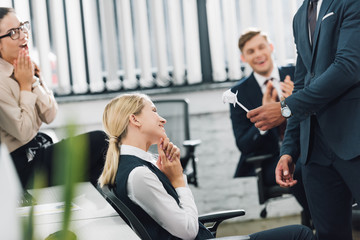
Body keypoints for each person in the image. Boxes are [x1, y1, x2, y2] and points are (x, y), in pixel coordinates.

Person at [98, 93, 314, 240]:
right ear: (134, 120)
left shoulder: (131, 166)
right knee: (300, 235)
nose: (162, 119)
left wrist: (167, 177)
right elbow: (189, 231)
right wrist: (178, 180)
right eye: (153, 111)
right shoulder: (139, 175)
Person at [246, 1, 360, 239]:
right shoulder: (300, 17)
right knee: (329, 234)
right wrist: (289, 150)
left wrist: (285, 109)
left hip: (353, 139)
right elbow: (301, 83)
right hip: (314, 153)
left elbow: (348, 67)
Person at [0, 7, 107, 188]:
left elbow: (50, 114)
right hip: (21, 167)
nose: (23, 35)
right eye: (13, 33)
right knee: (101, 141)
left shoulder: (25, 65)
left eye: (22, 27)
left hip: (36, 151)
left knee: (96, 167)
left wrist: (32, 80)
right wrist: (25, 86)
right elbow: (24, 132)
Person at [229, 29, 311, 226]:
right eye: (250, 51)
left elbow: (318, 113)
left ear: (271, 47)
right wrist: (263, 123)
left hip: (307, 145)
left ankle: (322, 220)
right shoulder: (238, 93)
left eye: (261, 47)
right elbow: (244, 144)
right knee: (301, 168)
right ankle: (320, 219)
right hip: (270, 159)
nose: (258, 54)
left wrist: (297, 100)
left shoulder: (296, 73)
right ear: (243, 58)